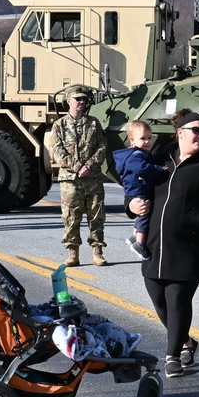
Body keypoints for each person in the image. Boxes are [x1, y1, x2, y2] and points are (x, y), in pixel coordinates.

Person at [128, 109, 199, 378]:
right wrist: (130, 206)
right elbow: (137, 188)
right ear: (180, 132)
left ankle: (172, 356)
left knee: (178, 299)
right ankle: (187, 343)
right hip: (155, 246)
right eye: (197, 131)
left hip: (191, 247)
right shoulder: (159, 160)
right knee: (160, 301)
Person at [50, 86, 108, 267]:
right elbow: (56, 151)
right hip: (70, 180)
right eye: (77, 99)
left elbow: (102, 146)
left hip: (92, 178)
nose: (81, 102)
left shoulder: (93, 123)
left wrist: (89, 166)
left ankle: (97, 252)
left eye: (83, 99)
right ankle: (73, 253)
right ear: (69, 101)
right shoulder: (59, 125)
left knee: (96, 215)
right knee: (71, 217)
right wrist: (77, 167)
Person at [113, 120, 167, 260]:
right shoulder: (136, 155)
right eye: (143, 138)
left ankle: (133, 237)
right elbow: (142, 168)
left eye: (149, 138)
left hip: (137, 187)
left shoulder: (138, 152)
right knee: (144, 214)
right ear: (132, 140)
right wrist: (159, 169)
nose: (148, 141)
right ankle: (140, 243)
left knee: (141, 214)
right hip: (139, 188)